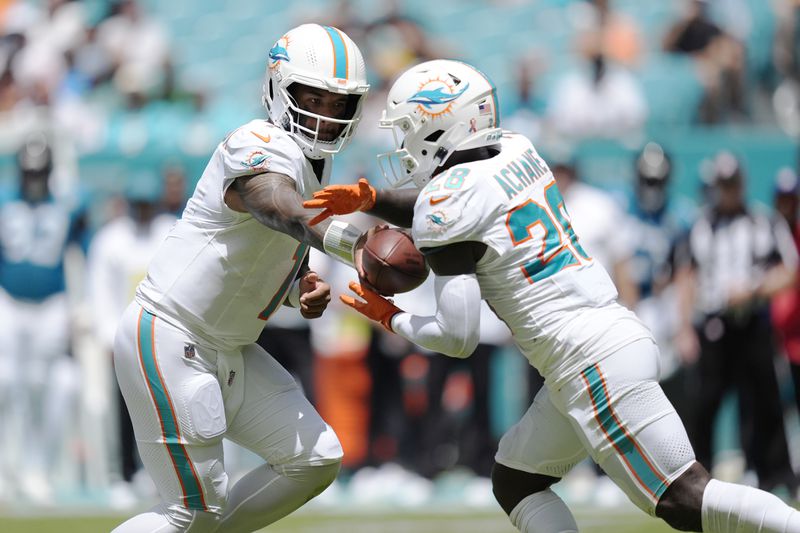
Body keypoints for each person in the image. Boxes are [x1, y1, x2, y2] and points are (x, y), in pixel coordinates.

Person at [304, 59, 800, 533]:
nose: (404, 143)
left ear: (438, 125)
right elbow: (455, 198)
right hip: (605, 338)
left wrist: (391, 317)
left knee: (683, 498)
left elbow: (457, 338)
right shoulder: (518, 150)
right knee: (516, 481)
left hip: (586, 362)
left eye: (410, 126)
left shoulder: (447, 203)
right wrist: (372, 199)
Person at [111, 23, 376, 532]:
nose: (324, 114)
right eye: (313, 96)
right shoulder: (256, 142)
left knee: (315, 458)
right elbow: (273, 204)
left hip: (230, 347)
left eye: (338, 103)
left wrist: (301, 285)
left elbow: (272, 241)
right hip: (172, 334)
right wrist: (353, 243)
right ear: (280, 89)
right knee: (191, 512)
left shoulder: (311, 167)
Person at [675, 152, 799, 496]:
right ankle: (698, 479)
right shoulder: (701, 226)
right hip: (714, 325)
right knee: (705, 404)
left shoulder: (763, 222)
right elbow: (686, 276)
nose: (727, 193)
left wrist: (754, 290)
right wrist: (684, 327)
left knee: (765, 400)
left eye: (732, 185)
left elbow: (788, 271)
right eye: (722, 186)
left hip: (753, 322)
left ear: (741, 185)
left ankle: (775, 476)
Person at [0, 132, 85, 503]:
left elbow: (82, 253)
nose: (33, 179)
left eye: (40, 172)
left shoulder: (68, 202)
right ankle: (6, 468)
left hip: (52, 302)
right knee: (4, 382)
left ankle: (37, 469)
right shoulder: (5, 200)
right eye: (28, 172)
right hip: (8, 299)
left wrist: (82, 304)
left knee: (39, 385)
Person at [771, 167, 800, 419]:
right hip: (774, 343)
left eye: (790, 200)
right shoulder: (767, 236)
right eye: (782, 200)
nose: (786, 206)